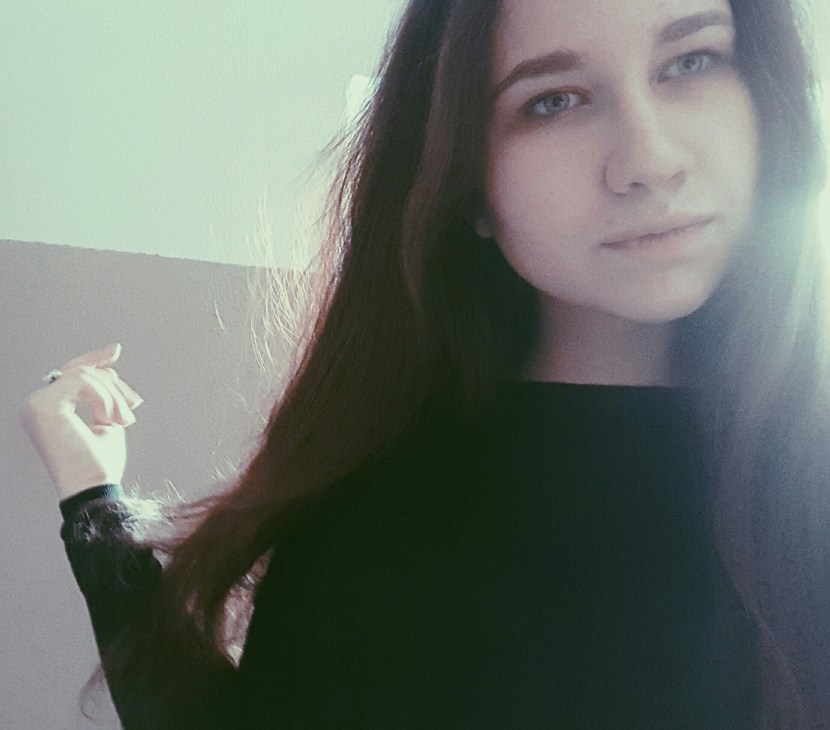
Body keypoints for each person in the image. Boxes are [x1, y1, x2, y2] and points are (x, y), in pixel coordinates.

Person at [20, 0, 830, 726]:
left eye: (691, 61)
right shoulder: (369, 515)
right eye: (553, 100)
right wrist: (94, 504)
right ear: (468, 185)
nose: (649, 158)